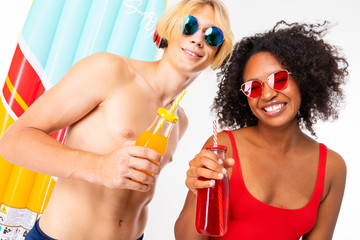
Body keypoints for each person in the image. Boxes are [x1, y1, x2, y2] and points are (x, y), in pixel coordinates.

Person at [0, 0, 234, 239]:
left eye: (212, 35)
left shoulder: (179, 120)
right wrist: (98, 167)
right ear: (170, 28)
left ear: (218, 51)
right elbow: (13, 141)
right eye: (189, 25)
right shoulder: (110, 71)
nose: (197, 39)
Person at [175, 21, 348, 239]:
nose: (267, 95)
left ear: (303, 78)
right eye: (254, 87)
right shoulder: (222, 148)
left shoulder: (332, 167)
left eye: (279, 79)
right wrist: (200, 190)